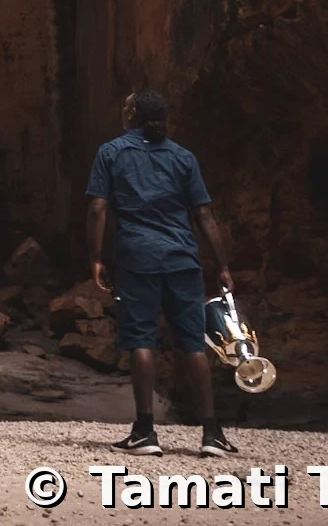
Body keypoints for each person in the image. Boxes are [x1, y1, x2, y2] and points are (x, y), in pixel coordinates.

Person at [85, 88, 237, 457]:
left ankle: (145, 433)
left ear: (133, 114)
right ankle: (212, 434)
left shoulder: (111, 153)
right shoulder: (183, 157)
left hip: (138, 258)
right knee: (194, 342)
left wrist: (96, 257)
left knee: (141, 339)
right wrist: (223, 265)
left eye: (126, 107)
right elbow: (204, 214)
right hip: (182, 259)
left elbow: (98, 208)